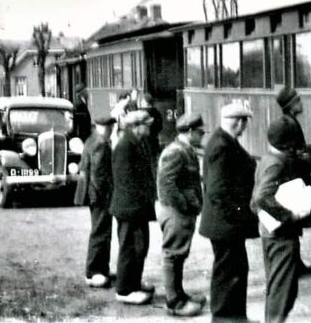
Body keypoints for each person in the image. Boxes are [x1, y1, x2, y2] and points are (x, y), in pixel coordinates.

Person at [199, 103, 258, 323]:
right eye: (244, 122)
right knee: (228, 271)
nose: (245, 127)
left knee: (235, 268)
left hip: (225, 223)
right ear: (238, 122)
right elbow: (217, 190)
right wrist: (239, 214)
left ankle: (234, 316)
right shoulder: (221, 146)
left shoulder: (223, 141)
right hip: (224, 224)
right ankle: (225, 316)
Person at [251, 119, 311, 323]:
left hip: (269, 233)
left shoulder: (267, 159)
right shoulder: (277, 164)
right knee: (283, 291)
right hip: (281, 236)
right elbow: (262, 196)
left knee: (277, 287)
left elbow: (255, 199)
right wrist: (288, 216)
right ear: (288, 145)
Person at [156, 113, 207, 317]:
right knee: (172, 255)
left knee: (178, 255)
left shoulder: (184, 149)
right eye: (200, 132)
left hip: (181, 211)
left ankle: (179, 294)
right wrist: (184, 205)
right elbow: (166, 183)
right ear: (190, 131)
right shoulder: (176, 152)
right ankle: (174, 302)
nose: (202, 136)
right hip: (176, 212)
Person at [109, 109, 158, 305]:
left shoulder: (138, 142)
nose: (149, 128)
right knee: (129, 248)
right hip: (129, 208)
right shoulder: (125, 146)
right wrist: (139, 206)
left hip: (138, 207)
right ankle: (124, 289)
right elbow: (124, 182)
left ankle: (134, 283)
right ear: (137, 126)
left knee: (140, 247)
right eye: (147, 124)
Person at [274, 86, 311, 276]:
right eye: (298, 100)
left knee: (294, 223)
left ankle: (295, 261)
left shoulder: (288, 122)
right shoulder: (290, 124)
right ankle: (293, 263)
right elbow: (294, 154)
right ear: (291, 105)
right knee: (292, 222)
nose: (301, 103)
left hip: (292, 177)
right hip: (293, 178)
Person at [74, 110, 116, 289]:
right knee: (101, 232)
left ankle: (101, 269)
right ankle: (93, 271)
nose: (112, 129)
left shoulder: (92, 140)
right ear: (106, 128)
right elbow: (98, 175)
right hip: (100, 196)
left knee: (100, 231)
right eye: (111, 126)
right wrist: (105, 197)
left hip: (93, 194)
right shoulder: (101, 144)